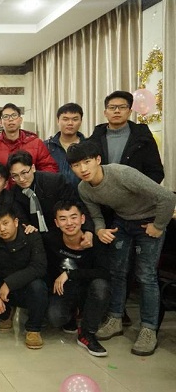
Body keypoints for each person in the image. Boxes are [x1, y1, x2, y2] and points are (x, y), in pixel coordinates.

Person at [67, 140, 176, 356]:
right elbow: (95, 214)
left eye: (87, 162)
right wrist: (99, 230)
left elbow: (167, 197)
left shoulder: (122, 174)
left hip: (149, 221)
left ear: (98, 159)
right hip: (123, 222)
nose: (83, 169)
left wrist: (158, 226)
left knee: (146, 275)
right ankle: (115, 318)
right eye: (76, 165)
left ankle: (148, 329)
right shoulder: (84, 188)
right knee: (117, 272)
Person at [44, 200, 110, 357]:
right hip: (64, 291)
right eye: (63, 219)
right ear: (56, 223)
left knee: (101, 285)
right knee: (55, 318)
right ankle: (71, 315)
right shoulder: (50, 239)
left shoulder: (95, 242)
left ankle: (87, 333)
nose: (69, 223)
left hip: (88, 291)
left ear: (82, 219)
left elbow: (105, 272)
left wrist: (70, 274)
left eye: (73, 217)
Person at [0, 203, 48, 349]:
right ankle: (6, 314)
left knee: (38, 287)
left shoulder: (31, 236)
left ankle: (33, 329)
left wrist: (10, 283)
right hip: (1, 290)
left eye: (5, 223)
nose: (2, 229)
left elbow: (39, 267)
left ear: (15, 222)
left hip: (25, 286)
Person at [8, 150, 94, 242]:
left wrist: (88, 230)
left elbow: (77, 205)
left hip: (62, 232)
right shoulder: (14, 193)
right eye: (15, 176)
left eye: (24, 173)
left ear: (33, 168)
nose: (21, 179)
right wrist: (27, 227)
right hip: (36, 237)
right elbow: (21, 219)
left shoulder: (54, 181)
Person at [88, 90, 164, 183]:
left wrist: (140, 189)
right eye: (112, 107)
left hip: (135, 190)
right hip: (102, 191)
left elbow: (156, 171)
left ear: (129, 112)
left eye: (122, 107)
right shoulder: (95, 139)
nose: (117, 111)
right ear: (105, 112)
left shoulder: (142, 137)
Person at [0, 103, 58, 184]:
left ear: (20, 120)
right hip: (2, 191)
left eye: (14, 115)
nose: (10, 119)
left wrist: (32, 182)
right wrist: (0, 185)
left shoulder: (36, 143)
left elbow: (50, 168)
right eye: (6, 117)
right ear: (0, 122)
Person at [44, 103, 87, 190]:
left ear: (81, 121)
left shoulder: (88, 146)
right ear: (58, 121)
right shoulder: (46, 146)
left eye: (75, 119)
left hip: (82, 195)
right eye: (65, 119)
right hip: (53, 195)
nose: (70, 123)